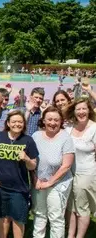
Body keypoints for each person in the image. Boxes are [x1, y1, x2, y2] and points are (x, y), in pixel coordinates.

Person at [0, 110, 38, 238]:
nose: (17, 124)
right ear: (8, 123)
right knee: (3, 217)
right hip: (1, 187)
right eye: (14, 121)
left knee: (18, 219)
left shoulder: (28, 140)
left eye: (20, 122)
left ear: (24, 124)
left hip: (19, 188)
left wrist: (27, 159)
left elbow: (33, 165)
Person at [31, 106, 75, 238]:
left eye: (56, 120)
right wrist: (35, 179)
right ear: (43, 120)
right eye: (49, 119)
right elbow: (31, 161)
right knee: (39, 214)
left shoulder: (66, 138)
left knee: (55, 217)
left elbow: (66, 165)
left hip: (58, 183)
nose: (52, 123)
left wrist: (49, 183)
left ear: (61, 121)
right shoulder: (36, 136)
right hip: (38, 181)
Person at [64, 98, 96, 238]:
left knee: (82, 208)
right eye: (78, 109)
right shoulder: (69, 127)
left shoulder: (94, 128)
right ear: (74, 111)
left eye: (84, 108)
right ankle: (70, 235)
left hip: (86, 173)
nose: (81, 112)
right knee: (71, 207)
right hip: (69, 173)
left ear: (89, 110)